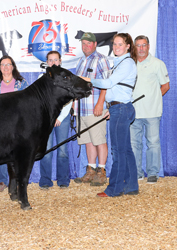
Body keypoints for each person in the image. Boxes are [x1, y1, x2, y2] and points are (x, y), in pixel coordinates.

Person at [81, 33, 139, 197]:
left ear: (128, 46)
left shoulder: (126, 63)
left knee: (118, 151)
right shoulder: (121, 63)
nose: (116, 47)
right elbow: (118, 89)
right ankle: (131, 186)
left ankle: (114, 188)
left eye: (120, 44)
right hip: (119, 108)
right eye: (114, 44)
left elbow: (108, 84)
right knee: (125, 150)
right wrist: (109, 108)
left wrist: (87, 79)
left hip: (120, 109)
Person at [0, 55, 29, 192]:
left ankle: (17, 180)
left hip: (18, 124)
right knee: (1, 152)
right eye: (3, 65)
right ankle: (3, 180)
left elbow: (27, 103)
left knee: (19, 153)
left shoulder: (21, 83)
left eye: (8, 64)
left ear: (13, 66)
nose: (5, 67)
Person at [130, 35, 170, 184]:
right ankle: (137, 172)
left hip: (152, 111)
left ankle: (153, 173)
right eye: (138, 46)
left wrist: (154, 98)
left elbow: (165, 85)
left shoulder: (157, 63)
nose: (141, 48)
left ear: (148, 46)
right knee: (134, 144)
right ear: (134, 47)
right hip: (134, 111)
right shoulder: (130, 64)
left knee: (153, 142)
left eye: (144, 45)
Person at [73, 32, 110, 186]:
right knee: (88, 141)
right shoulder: (81, 61)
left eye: (89, 43)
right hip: (82, 109)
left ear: (95, 44)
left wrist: (101, 103)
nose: (86, 46)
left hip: (95, 108)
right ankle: (91, 169)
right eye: (84, 43)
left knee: (99, 140)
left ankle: (101, 171)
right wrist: (75, 103)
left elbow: (107, 83)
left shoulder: (101, 60)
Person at [38, 51, 71, 190]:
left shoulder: (66, 77)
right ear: (46, 62)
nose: (53, 63)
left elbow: (69, 99)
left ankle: (63, 179)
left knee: (62, 149)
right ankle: (45, 180)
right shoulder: (42, 78)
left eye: (55, 60)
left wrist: (60, 117)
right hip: (47, 119)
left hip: (62, 118)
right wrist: (49, 118)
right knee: (46, 149)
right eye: (50, 60)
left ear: (60, 61)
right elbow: (40, 101)